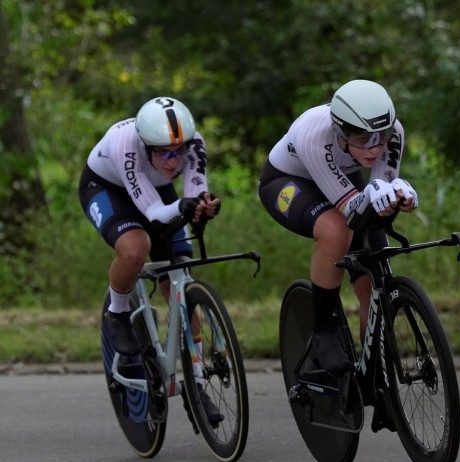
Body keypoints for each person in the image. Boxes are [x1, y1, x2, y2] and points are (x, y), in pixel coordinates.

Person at [258, 79, 417, 381]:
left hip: (343, 177)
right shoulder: (315, 134)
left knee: (375, 280)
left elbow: (378, 188)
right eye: (360, 138)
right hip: (288, 180)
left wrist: (399, 197)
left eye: (380, 137)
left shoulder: (393, 131)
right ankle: (323, 329)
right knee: (336, 231)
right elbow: (352, 210)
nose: (373, 148)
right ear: (340, 131)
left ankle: (376, 379)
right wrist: (374, 200)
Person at [79, 96, 223, 425]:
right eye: (163, 152)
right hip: (107, 188)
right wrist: (184, 207)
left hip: (157, 193)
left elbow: (194, 191)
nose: (173, 161)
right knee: (135, 248)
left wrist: (203, 208)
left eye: (179, 151)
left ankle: (196, 383)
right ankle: (118, 311)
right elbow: (155, 213)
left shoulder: (194, 145)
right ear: (146, 146)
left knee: (181, 281)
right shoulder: (126, 145)